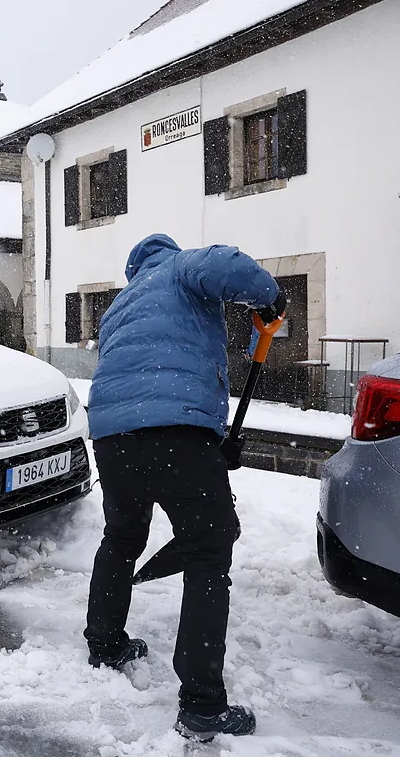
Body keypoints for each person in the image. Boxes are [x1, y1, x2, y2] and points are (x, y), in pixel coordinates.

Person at [84, 233, 285, 743]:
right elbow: (226, 264)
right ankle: (201, 704)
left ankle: (105, 643)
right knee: (208, 551)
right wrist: (268, 295)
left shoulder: (119, 305)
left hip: (112, 437)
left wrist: (213, 440)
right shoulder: (179, 269)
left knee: (122, 537)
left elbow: (138, 375)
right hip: (174, 430)